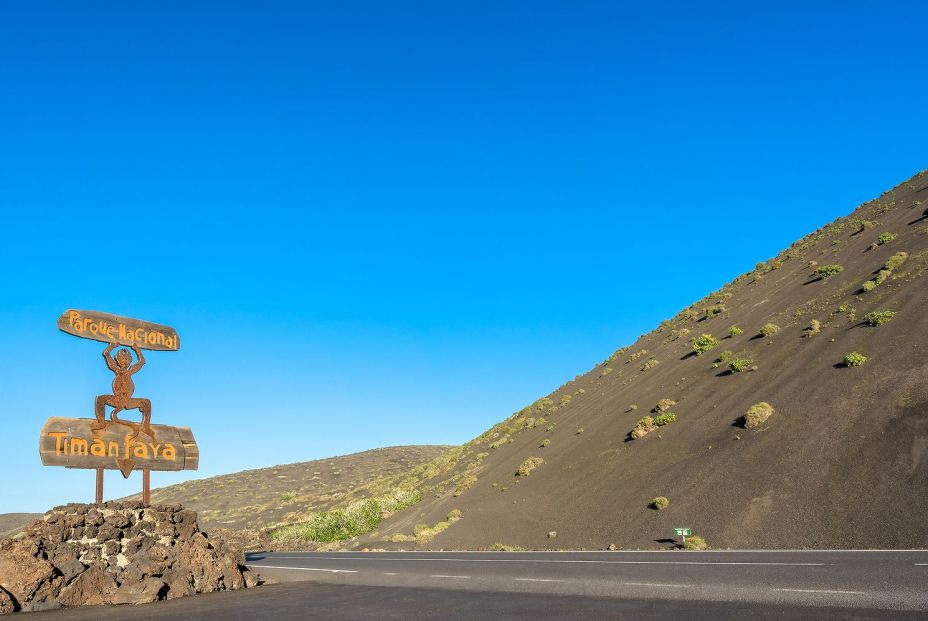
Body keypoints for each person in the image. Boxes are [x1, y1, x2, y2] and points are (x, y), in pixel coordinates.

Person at [92, 342, 155, 440]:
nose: (124, 361)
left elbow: (141, 361)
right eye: (121, 359)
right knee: (100, 399)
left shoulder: (131, 370)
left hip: (128, 400)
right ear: (117, 360)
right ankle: (101, 422)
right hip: (117, 399)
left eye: (126, 359)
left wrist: (137, 350)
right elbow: (106, 354)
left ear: (130, 360)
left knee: (146, 402)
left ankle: (145, 426)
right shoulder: (116, 369)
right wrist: (112, 346)